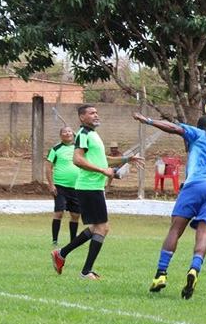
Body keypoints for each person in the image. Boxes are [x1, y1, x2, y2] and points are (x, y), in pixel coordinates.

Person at [132, 111, 206, 299]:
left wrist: (149, 121)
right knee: (203, 233)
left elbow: (174, 128)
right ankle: (194, 269)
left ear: (200, 127)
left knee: (175, 230)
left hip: (195, 185)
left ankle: (161, 274)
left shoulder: (197, 134)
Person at [51, 104, 143, 280]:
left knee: (96, 228)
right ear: (82, 117)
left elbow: (104, 159)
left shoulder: (93, 135)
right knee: (103, 228)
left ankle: (61, 254)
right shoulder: (83, 135)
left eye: (96, 112)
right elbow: (77, 159)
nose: (96, 115)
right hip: (89, 186)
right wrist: (103, 171)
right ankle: (85, 271)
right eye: (91, 113)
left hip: (94, 187)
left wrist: (126, 159)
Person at [45, 125, 80, 246]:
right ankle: (55, 240)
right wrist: (51, 185)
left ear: (73, 134)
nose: (67, 133)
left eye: (70, 131)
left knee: (75, 214)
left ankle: (73, 241)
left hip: (76, 187)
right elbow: (49, 167)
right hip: (60, 186)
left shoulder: (79, 148)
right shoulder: (56, 149)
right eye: (65, 132)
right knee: (59, 212)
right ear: (61, 135)